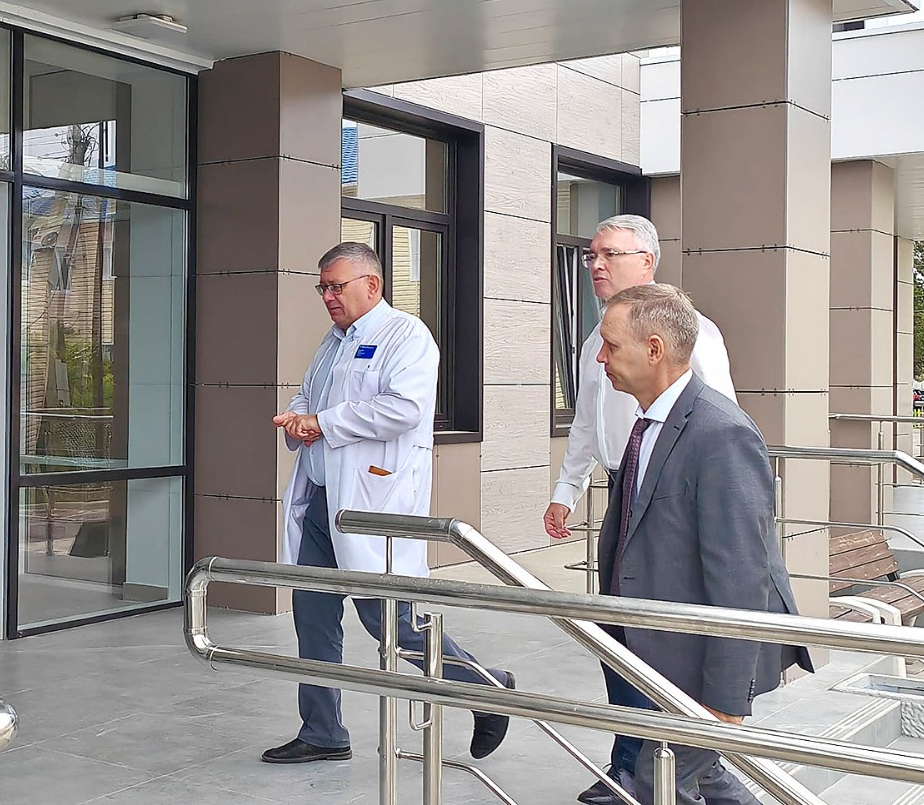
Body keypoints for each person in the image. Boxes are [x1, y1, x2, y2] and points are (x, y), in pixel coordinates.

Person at [261, 242, 514, 766]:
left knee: (389, 621)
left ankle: (485, 688)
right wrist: (297, 417)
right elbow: (309, 394)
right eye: (322, 287)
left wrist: (322, 423)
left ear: (372, 285)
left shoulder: (406, 335)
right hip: (320, 501)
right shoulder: (333, 341)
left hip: (370, 504)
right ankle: (323, 731)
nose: (328, 297)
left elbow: (405, 409)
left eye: (337, 286)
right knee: (312, 614)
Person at [543, 215, 736, 805]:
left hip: (668, 498)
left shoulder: (694, 332)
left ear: (647, 262)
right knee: (618, 635)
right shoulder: (595, 342)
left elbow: (719, 418)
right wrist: (566, 490)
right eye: (591, 255)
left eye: (610, 254)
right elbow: (586, 424)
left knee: (655, 639)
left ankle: (663, 767)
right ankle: (636, 763)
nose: (596, 265)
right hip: (620, 491)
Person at [594, 284, 812, 805]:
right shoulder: (649, 423)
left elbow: (742, 571)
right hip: (657, 643)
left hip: (701, 656)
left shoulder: (719, 433)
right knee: (703, 777)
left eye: (611, 345)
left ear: (654, 349)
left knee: (658, 779)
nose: (600, 357)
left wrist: (726, 696)